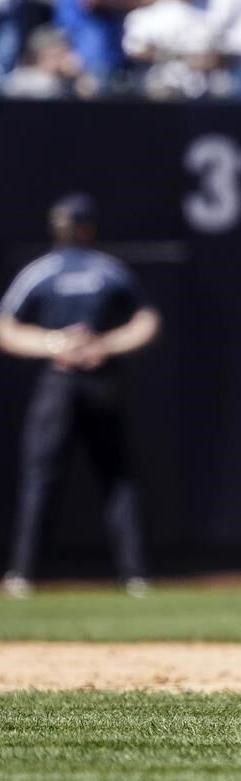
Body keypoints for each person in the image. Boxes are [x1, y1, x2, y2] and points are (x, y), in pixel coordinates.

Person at [0, 194, 160, 598]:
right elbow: (145, 322)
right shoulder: (101, 270)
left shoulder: (51, 271)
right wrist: (95, 345)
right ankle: (132, 576)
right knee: (110, 479)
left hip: (71, 380)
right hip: (87, 379)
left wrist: (67, 345)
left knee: (61, 478)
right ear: (88, 228)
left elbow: (8, 329)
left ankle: (25, 575)